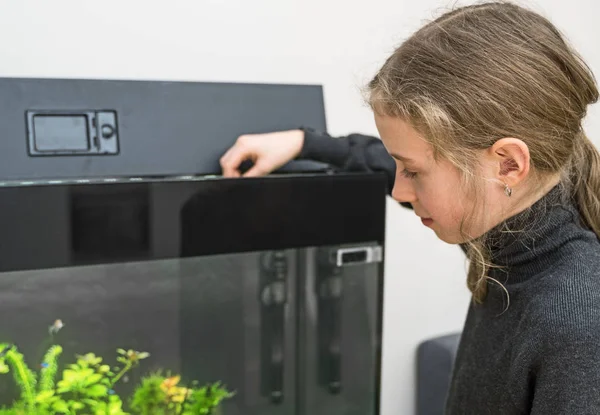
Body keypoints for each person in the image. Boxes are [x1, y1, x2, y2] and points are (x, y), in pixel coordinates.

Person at [222, 2, 600, 414]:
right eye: (400, 167)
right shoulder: (509, 228)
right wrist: (306, 143)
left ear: (508, 164)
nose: (401, 190)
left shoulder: (577, 325)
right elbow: (396, 167)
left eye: (413, 172)